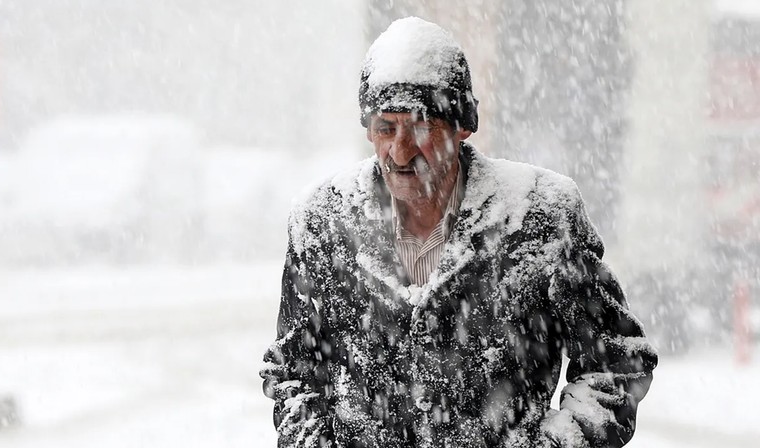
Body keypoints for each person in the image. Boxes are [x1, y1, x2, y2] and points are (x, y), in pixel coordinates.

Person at [261, 17, 657, 448]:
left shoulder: (540, 215)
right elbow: (292, 373)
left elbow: (617, 361)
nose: (399, 151)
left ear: (461, 126)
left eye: (419, 127)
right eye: (385, 128)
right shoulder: (322, 222)